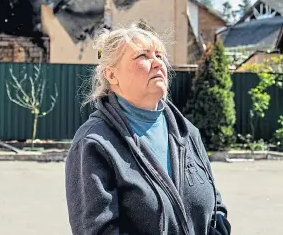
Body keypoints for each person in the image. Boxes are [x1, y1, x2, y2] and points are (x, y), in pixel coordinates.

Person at [65, 23, 231, 235]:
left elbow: (216, 209)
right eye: (143, 56)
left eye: (160, 56)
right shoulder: (94, 142)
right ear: (111, 75)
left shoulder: (187, 132)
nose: (157, 63)